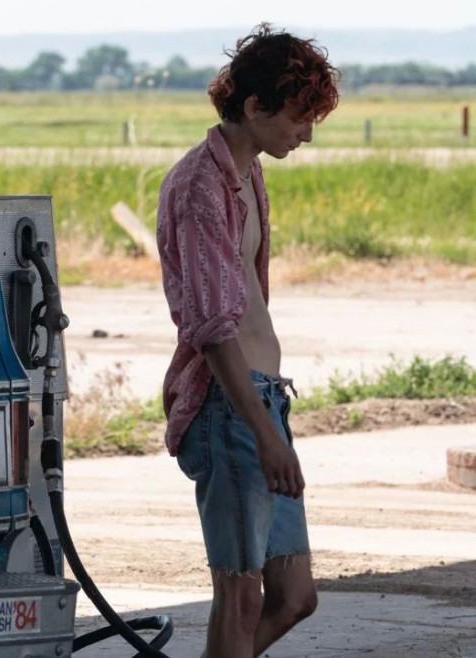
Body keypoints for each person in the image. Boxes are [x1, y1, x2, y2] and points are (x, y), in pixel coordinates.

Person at [156, 24, 339, 658]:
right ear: (255, 106)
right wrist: (264, 432)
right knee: (240, 597)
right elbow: (212, 330)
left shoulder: (247, 173)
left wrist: (271, 420)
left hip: (262, 402)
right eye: (297, 115)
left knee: (294, 596)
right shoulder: (200, 188)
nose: (306, 133)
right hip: (232, 409)